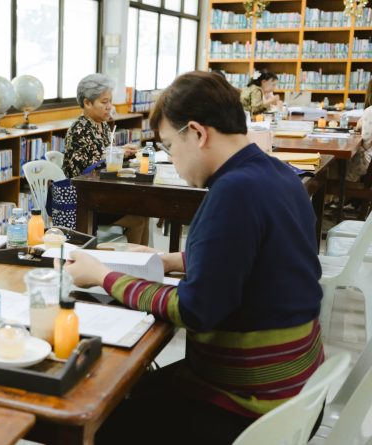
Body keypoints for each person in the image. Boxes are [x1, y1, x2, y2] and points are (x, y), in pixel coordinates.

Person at [65, 71, 323, 444]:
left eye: (170, 146)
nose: (172, 159)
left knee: (100, 418)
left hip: (250, 402)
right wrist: (170, 260)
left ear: (198, 133)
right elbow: (255, 256)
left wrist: (103, 276)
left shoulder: (234, 191)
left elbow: (194, 309)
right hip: (296, 384)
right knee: (132, 391)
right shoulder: (278, 173)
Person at [62, 73, 148, 245]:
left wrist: (122, 152)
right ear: (87, 103)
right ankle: (135, 259)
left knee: (145, 210)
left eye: (110, 101)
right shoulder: (79, 130)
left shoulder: (102, 125)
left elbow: (106, 156)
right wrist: (114, 154)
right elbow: (79, 173)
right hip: (86, 201)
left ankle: (143, 257)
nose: (110, 107)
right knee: (138, 219)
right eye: (104, 102)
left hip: (105, 192)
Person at [348, 79, 372, 182]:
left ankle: (337, 189)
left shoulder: (370, 112)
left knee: (330, 163)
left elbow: (366, 144)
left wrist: (357, 129)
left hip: (366, 163)